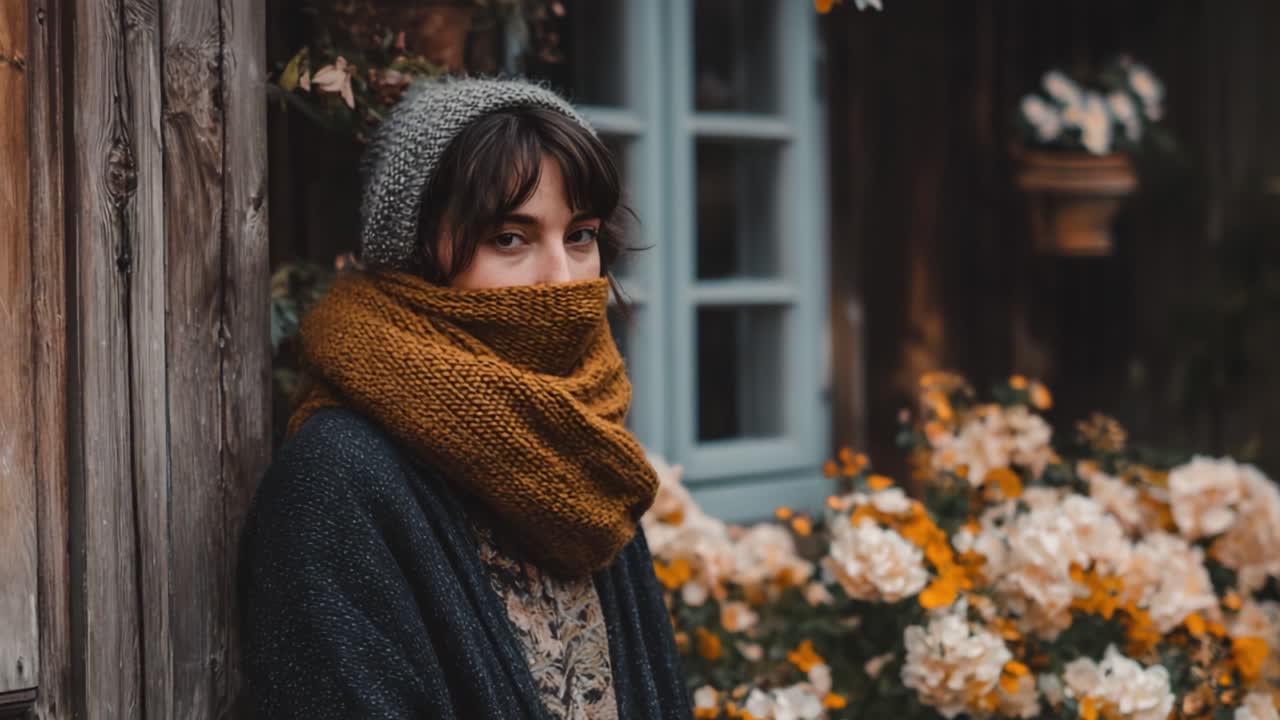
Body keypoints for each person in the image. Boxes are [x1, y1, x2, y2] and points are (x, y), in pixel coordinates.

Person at [238, 76, 692, 719]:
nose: (559, 278)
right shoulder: (336, 481)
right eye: (510, 238)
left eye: (580, 235)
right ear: (417, 255)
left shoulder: (582, 446)